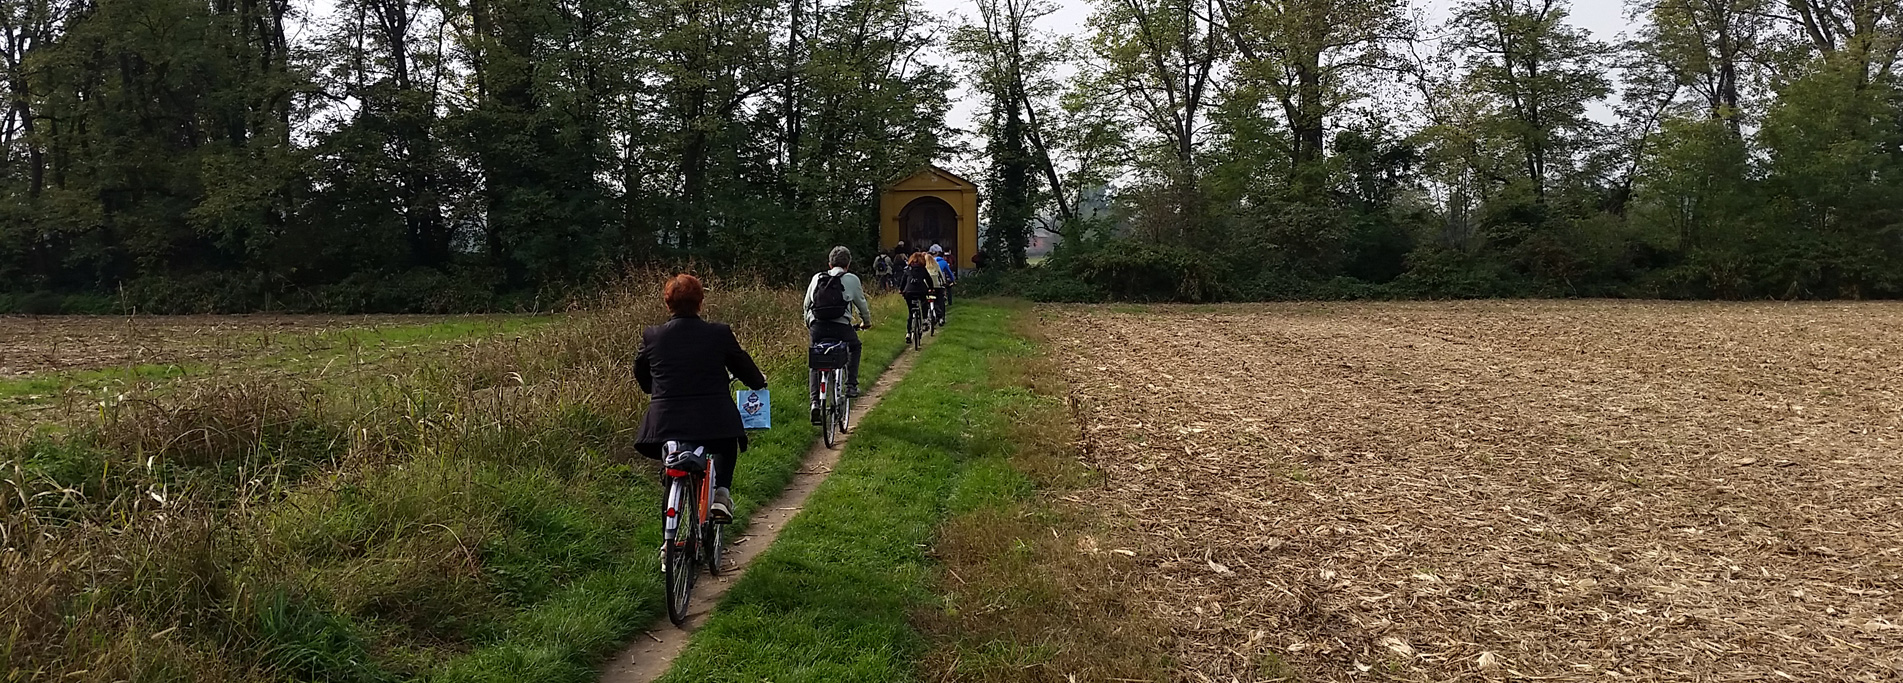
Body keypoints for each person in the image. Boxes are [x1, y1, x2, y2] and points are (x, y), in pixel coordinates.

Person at [634, 274, 769, 523]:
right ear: (700, 303)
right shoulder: (718, 333)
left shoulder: (653, 336)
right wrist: (758, 381)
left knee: (671, 458)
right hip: (714, 423)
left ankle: (669, 539)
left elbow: (641, 373)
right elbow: (742, 366)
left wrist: (655, 388)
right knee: (727, 444)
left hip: (665, 423)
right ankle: (721, 495)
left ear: (668, 304)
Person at [804, 246, 871, 422]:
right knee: (855, 347)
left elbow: (806, 306)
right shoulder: (851, 279)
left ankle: (815, 403)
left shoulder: (817, 278)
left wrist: (810, 325)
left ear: (829, 263)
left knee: (815, 359)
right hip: (841, 328)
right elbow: (861, 305)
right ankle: (851, 385)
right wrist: (866, 322)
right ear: (847, 264)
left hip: (817, 327)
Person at [900, 252, 938, 343]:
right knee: (924, 303)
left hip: (908, 292)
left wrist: (901, 290)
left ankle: (908, 333)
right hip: (921, 290)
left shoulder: (908, 269)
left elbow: (903, 281)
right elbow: (929, 280)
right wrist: (931, 289)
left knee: (910, 312)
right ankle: (925, 319)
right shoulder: (923, 269)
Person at [931, 247, 956, 317]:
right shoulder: (943, 262)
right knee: (940, 296)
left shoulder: (932, 261)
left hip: (929, 281)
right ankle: (941, 316)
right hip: (939, 279)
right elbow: (949, 272)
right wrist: (953, 280)